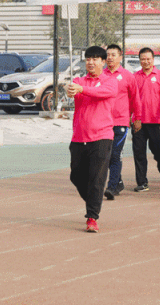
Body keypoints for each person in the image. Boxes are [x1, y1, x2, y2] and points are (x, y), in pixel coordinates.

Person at [67, 46, 118, 233]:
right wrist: (70, 90)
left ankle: (92, 217)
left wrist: (82, 89)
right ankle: (93, 199)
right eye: (88, 59)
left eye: (95, 59)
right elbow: (72, 90)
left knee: (97, 178)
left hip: (102, 137)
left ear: (103, 62)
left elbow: (102, 93)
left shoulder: (110, 81)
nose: (91, 62)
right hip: (79, 137)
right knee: (76, 175)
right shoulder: (79, 80)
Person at [103, 44, 141, 200]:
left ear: (120, 57)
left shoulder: (127, 76)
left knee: (115, 154)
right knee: (105, 155)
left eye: (113, 55)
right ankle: (118, 182)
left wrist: (137, 118)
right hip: (103, 122)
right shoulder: (101, 75)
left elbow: (135, 98)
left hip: (121, 122)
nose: (110, 58)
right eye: (108, 55)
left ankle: (111, 187)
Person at [132, 47, 160, 192]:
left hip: (156, 122)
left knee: (159, 152)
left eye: (148, 59)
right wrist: (135, 118)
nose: (146, 61)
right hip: (139, 122)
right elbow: (131, 99)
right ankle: (142, 182)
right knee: (139, 153)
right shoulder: (135, 77)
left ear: (153, 60)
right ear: (139, 60)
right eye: (143, 59)